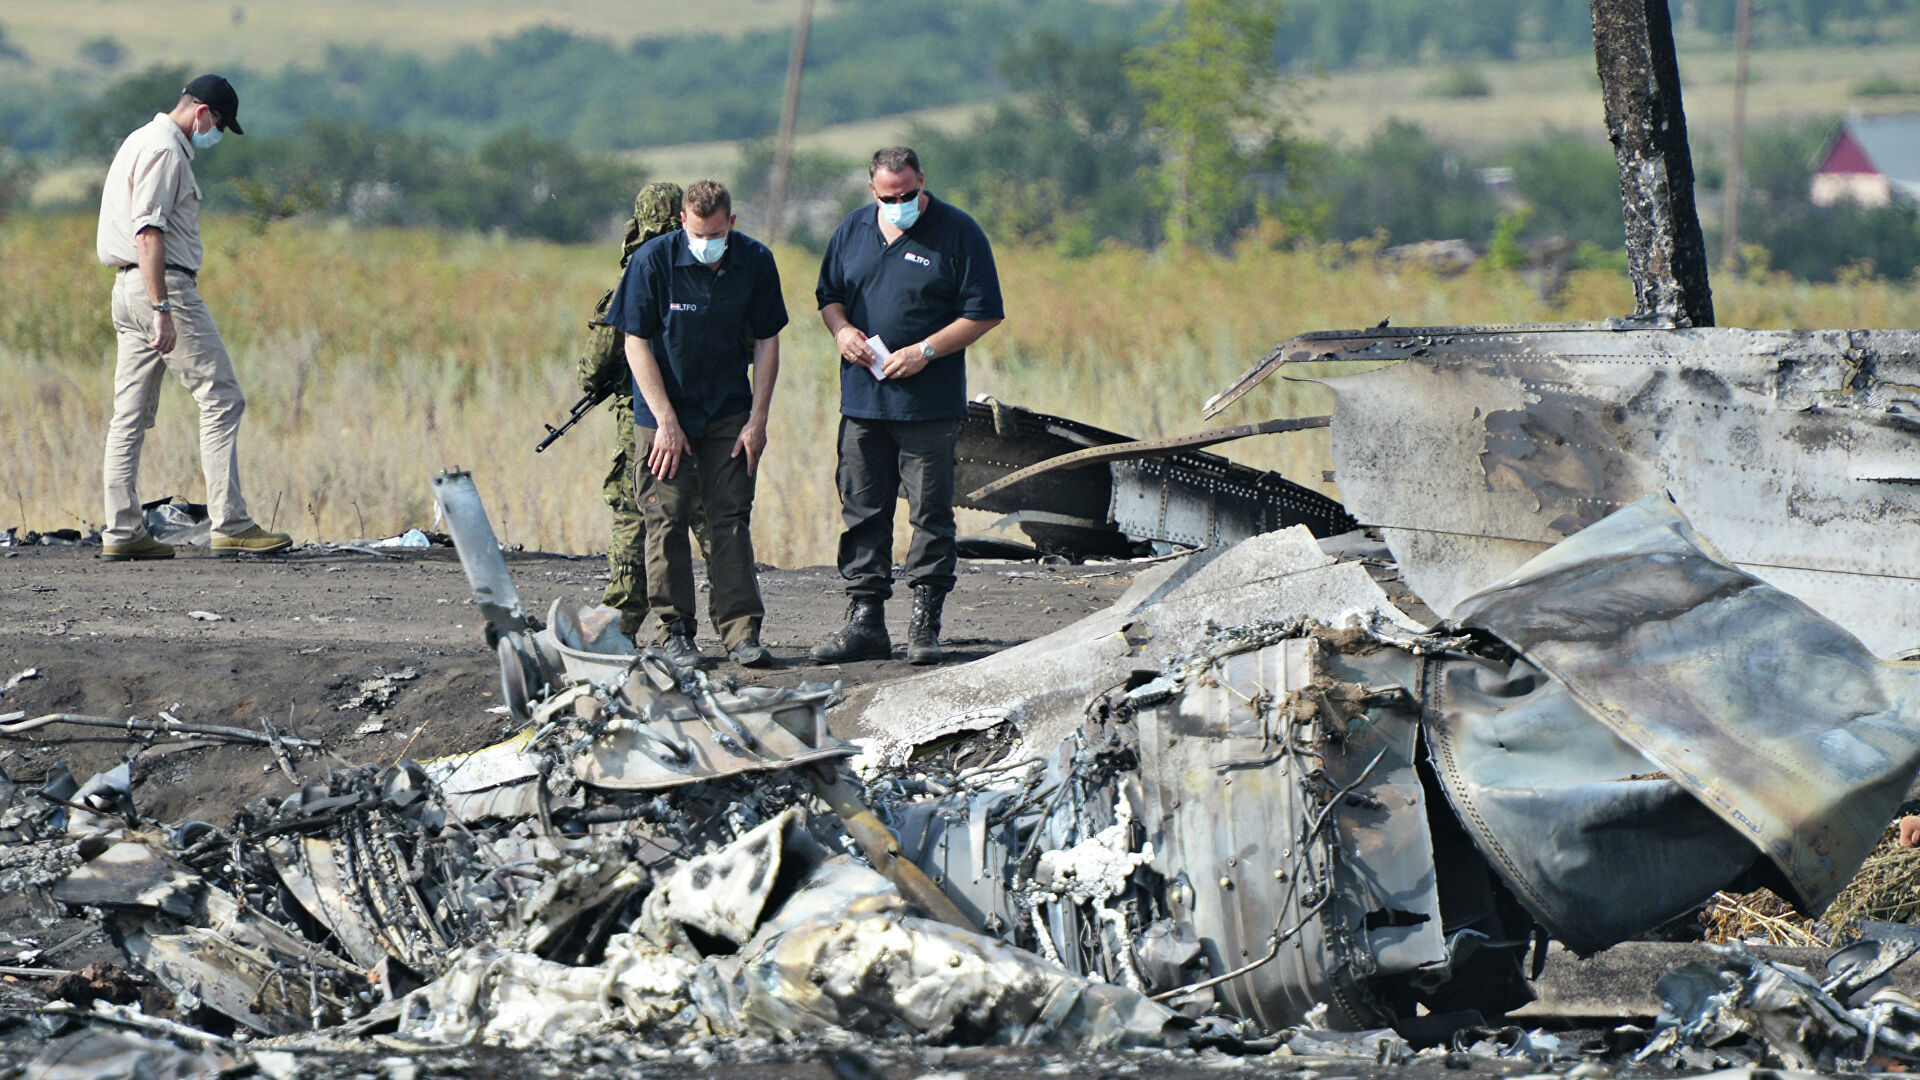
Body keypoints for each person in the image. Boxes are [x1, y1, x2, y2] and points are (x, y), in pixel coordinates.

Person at [810, 147, 1004, 665]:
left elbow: (984, 313)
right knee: (862, 510)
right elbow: (828, 296)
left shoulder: (958, 233)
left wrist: (926, 351)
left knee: (930, 514)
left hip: (928, 404)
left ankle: (925, 622)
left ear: (923, 180)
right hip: (863, 400)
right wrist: (842, 330)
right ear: (872, 190)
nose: (899, 203)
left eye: (908, 194)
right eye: (888, 197)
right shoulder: (852, 230)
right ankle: (865, 619)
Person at [94, 75, 290, 561]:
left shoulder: (139, 139)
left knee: (130, 414)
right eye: (219, 121)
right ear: (201, 112)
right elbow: (148, 232)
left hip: (125, 287)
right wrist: (163, 307)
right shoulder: (165, 148)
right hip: (160, 285)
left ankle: (122, 530)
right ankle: (232, 524)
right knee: (221, 396)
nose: (216, 132)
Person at [604, 180, 786, 669]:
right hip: (664, 411)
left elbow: (768, 341)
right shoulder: (652, 262)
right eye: (698, 233)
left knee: (730, 518)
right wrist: (665, 420)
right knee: (666, 517)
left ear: (732, 222)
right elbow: (635, 343)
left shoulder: (755, 261)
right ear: (683, 222)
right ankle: (675, 631)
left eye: (716, 233)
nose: (707, 243)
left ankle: (741, 631)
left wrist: (758, 420)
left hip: (728, 408)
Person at [577, 182, 683, 639]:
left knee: (634, 516)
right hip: (707, 415)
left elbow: (595, 366)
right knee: (709, 523)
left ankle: (620, 623)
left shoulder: (634, 277)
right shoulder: (708, 270)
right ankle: (720, 628)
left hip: (639, 423)